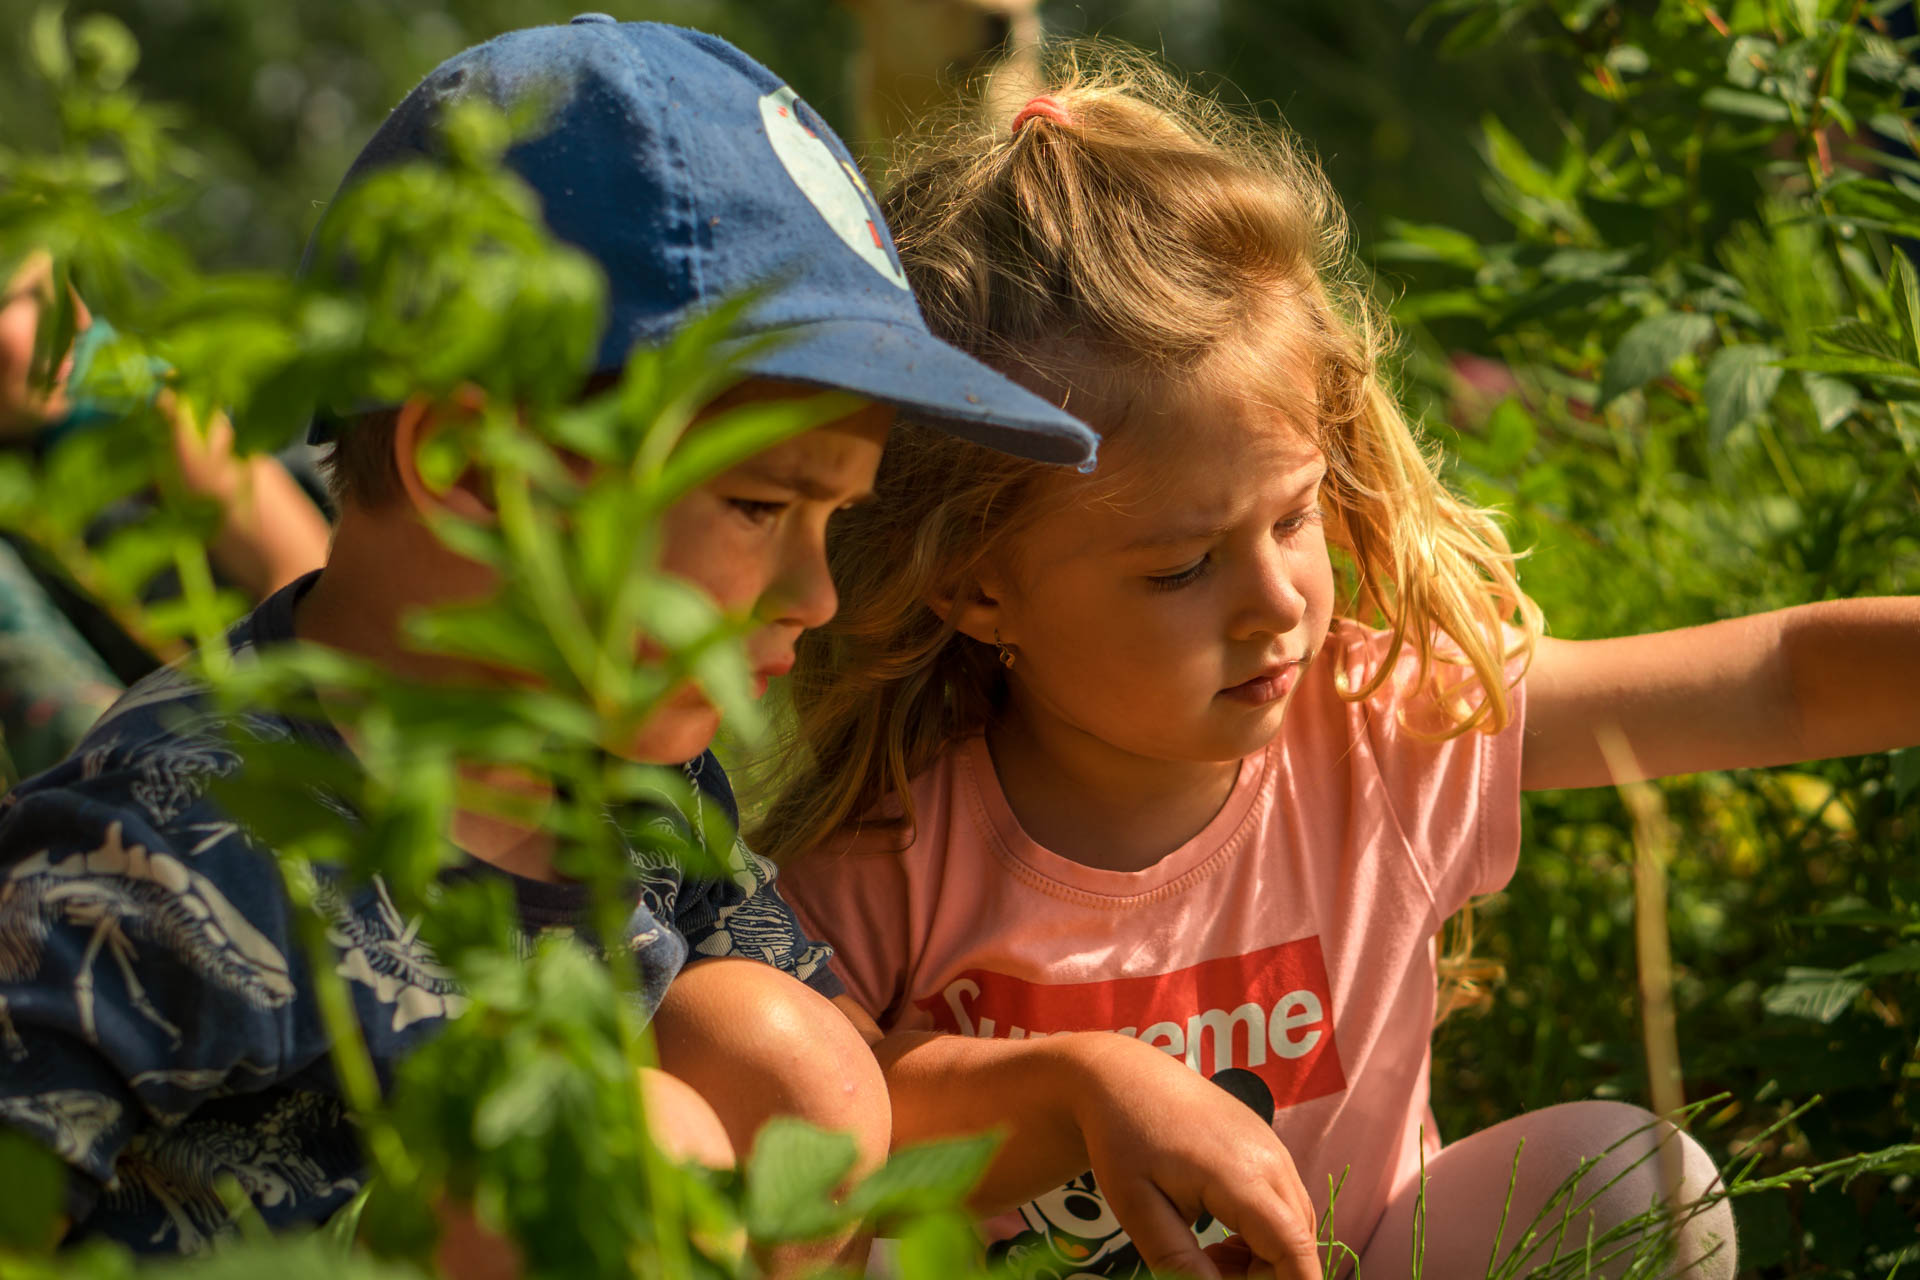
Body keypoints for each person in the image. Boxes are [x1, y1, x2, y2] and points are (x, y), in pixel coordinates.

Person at [762, 48, 1920, 1280]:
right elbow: (821, 1116)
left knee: (1641, 1187)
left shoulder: (1387, 728)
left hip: (1360, 1257)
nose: (1275, 602)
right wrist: (1075, 1081)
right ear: (977, 585)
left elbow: (1778, 680)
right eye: (1181, 568)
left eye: (1294, 518)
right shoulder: (897, 848)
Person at [0, 17, 1097, 1263]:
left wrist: (1085, 1090)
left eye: (832, 521)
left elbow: (860, 1092)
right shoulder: (167, 846)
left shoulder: (635, 775)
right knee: (641, 1146)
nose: (817, 595)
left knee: (800, 1062)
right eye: (758, 505)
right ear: (474, 466)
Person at [0, 251, 332, 778]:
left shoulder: (146, 403)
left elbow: (305, 575)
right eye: (17, 300)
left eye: (59, 285)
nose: (72, 322)